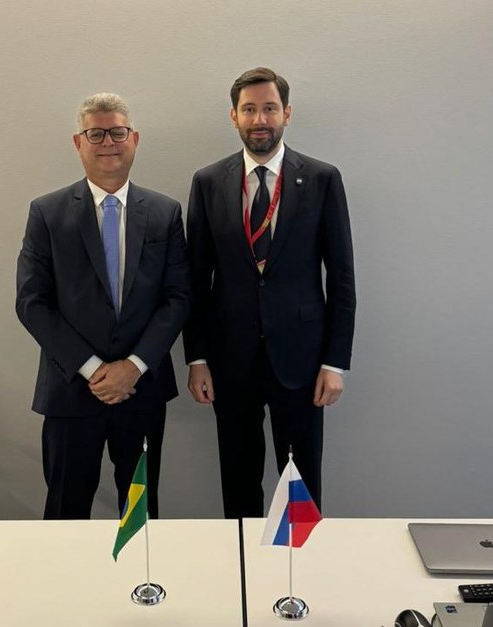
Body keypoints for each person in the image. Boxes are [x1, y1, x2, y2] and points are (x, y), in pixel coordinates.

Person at [184, 68, 356, 518]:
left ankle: (298, 560)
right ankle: (244, 558)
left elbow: (341, 278)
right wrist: (197, 358)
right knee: (238, 478)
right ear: (234, 116)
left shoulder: (321, 178)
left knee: (300, 485)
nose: (260, 119)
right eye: (249, 109)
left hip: (302, 362)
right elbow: (196, 280)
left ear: (287, 113)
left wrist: (334, 362)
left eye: (269, 108)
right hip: (230, 360)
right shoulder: (208, 182)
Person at [16, 93, 189, 520]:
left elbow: (178, 298)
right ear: (79, 142)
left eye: (117, 132)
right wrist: (94, 369)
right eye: (96, 134)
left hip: (141, 389)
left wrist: (134, 365)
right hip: (71, 391)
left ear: (134, 139)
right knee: (66, 512)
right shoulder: (47, 213)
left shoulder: (165, 213)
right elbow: (32, 302)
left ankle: (137, 573)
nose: (108, 142)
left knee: (139, 514)